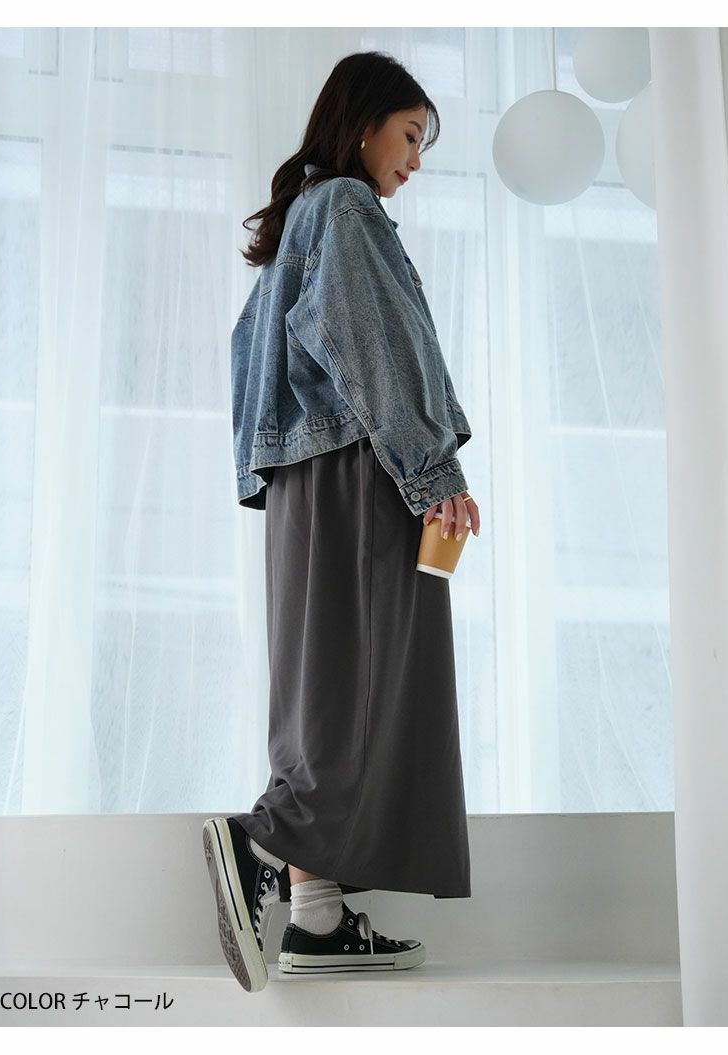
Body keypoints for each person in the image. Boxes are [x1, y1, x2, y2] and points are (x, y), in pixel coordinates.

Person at [202, 50, 481, 994]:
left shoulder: (301, 221)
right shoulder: (348, 209)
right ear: (363, 125)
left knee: (324, 687)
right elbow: (371, 341)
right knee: (369, 680)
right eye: (410, 135)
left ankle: (316, 920)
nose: (415, 160)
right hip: (362, 471)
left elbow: (253, 360)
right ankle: (258, 842)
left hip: (306, 482)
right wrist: (431, 467)